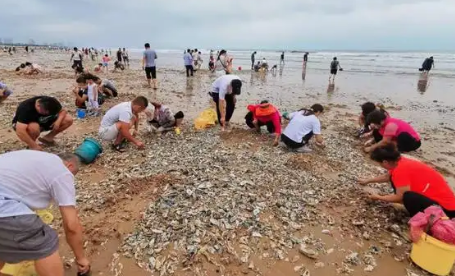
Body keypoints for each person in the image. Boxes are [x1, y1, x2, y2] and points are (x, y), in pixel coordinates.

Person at [0, 150, 90, 276]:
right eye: (72, 175)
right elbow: (71, 225)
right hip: (3, 206)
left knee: (4, 247)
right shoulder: (61, 171)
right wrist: (81, 258)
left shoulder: (34, 158)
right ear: (69, 166)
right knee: (44, 243)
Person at [359, 143, 455, 218]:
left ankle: (423, 220)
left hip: (446, 210)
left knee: (407, 196)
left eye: (380, 164)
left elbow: (400, 197)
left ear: (385, 162)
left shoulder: (401, 170)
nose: (381, 166)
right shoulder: (399, 161)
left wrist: (378, 197)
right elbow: (387, 177)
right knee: (397, 183)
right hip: (440, 201)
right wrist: (367, 181)